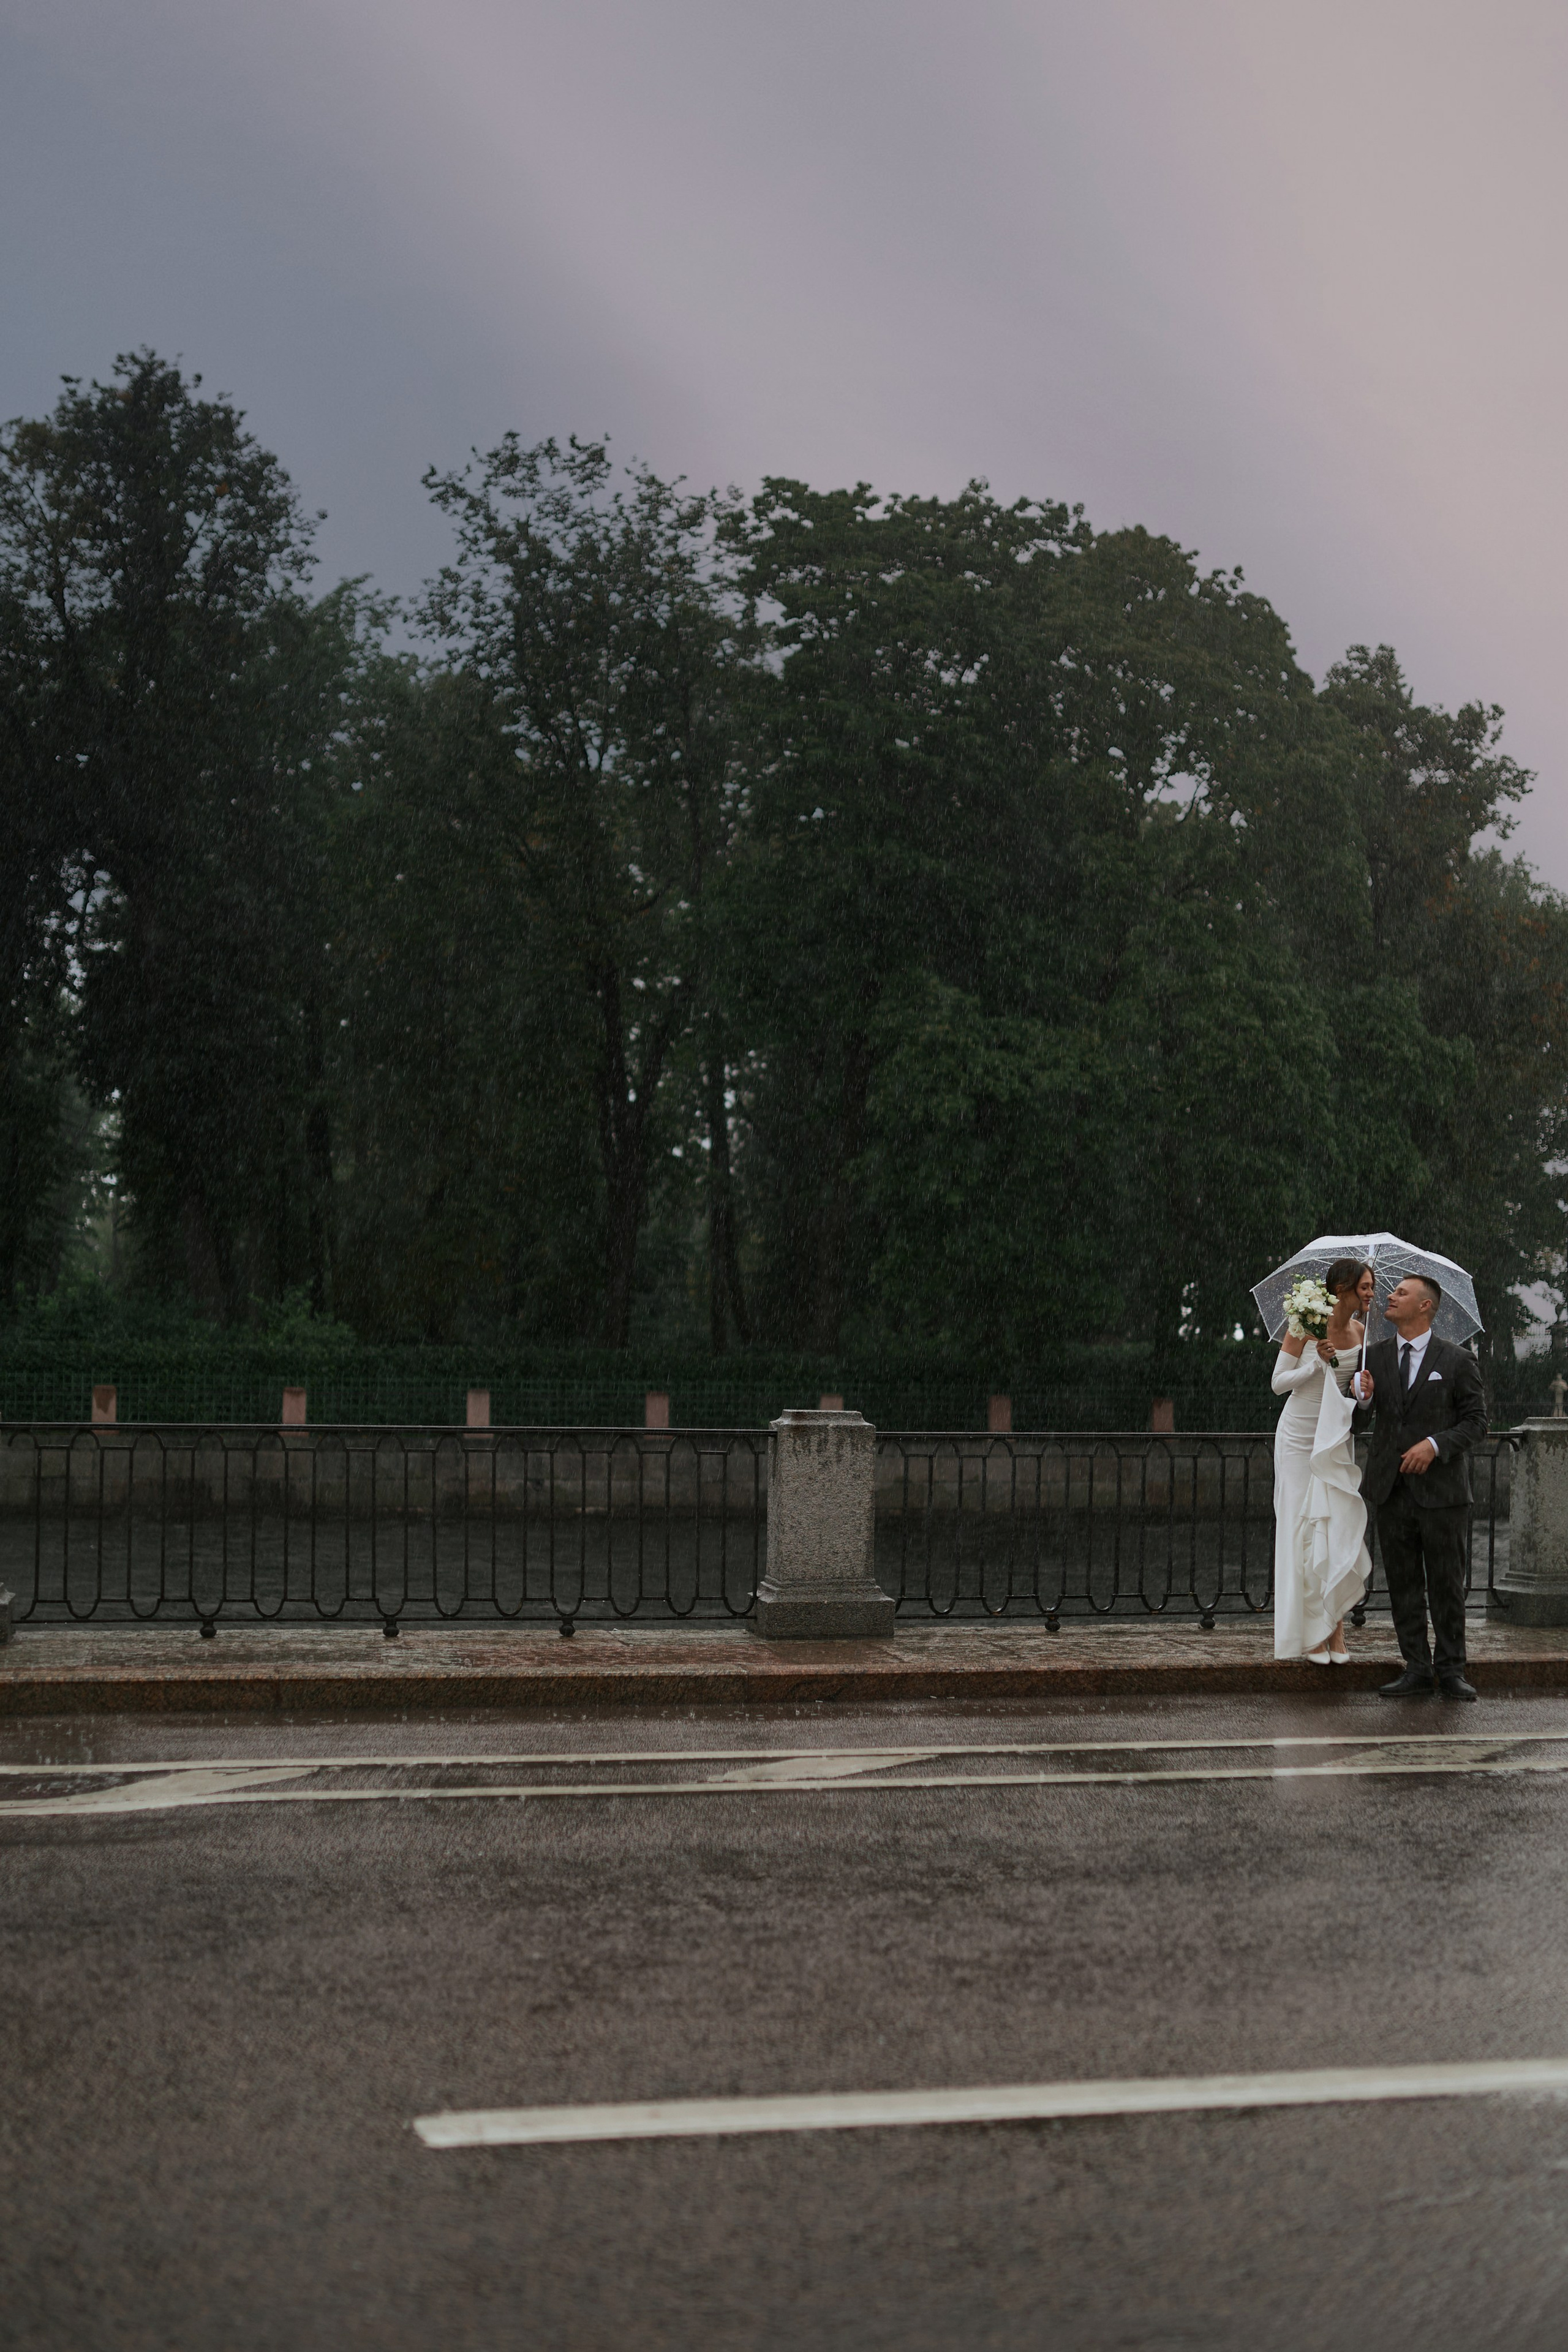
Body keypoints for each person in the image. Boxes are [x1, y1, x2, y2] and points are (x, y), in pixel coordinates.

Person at [1352, 1273, 1487, 1701]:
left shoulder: (1457, 1359)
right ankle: (1415, 1666)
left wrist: (1433, 1445)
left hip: (1444, 1494)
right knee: (1404, 1584)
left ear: (1425, 1306)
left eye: (1401, 1293)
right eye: (1391, 1292)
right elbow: (1357, 1424)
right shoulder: (1370, 1356)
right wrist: (1364, 1399)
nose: (1389, 1297)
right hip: (1392, 1490)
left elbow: (1477, 1423)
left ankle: (1452, 1671)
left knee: (1447, 1582)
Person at [1270, 1259, 1373, 1663]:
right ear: (1343, 1287)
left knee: (1335, 1527)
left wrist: (1364, 1392)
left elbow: (1355, 1394)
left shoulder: (1361, 1332)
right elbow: (1278, 1384)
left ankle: (1336, 1631)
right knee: (1302, 1527)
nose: (1369, 1294)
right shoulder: (1305, 1325)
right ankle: (1310, 1635)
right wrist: (1316, 1360)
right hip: (1298, 1437)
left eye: (1371, 1287)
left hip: (1335, 1436)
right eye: (1364, 1287)